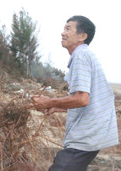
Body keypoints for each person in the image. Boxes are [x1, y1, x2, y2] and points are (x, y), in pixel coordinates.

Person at [31, 15, 120, 171]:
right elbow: (88, 100)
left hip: (88, 134)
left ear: (82, 36)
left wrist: (48, 102)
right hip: (94, 132)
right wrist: (58, 107)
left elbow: (82, 99)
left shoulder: (81, 55)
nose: (62, 33)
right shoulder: (84, 55)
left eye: (68, 29)